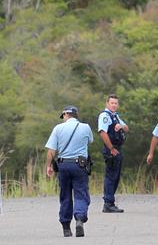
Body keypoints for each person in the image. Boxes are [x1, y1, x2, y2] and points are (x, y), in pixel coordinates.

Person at [45, 105, 94, 237]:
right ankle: (79, 219)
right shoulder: (86, 127)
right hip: (80, 165)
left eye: (63, 116)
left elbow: (51, 151)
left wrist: (49, 166)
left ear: (66, 114)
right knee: (81, 193)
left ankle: (66, 227)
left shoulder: (58, 128)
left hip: (63, 165)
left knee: (65, 195)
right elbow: (89, 141)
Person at [98, 94, 129, 213]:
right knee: (111, 176)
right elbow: (102, 132)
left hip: (118, 148)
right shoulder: (105, 116)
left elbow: (127, 128)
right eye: (112, 103)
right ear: (107, 103)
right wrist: (111, 148)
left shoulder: (115, 116)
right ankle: (108, 203)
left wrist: (120, 126)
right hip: (111, 149)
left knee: (115, 176)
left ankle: (110, 202)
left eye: (116, 103)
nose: (114, 105)